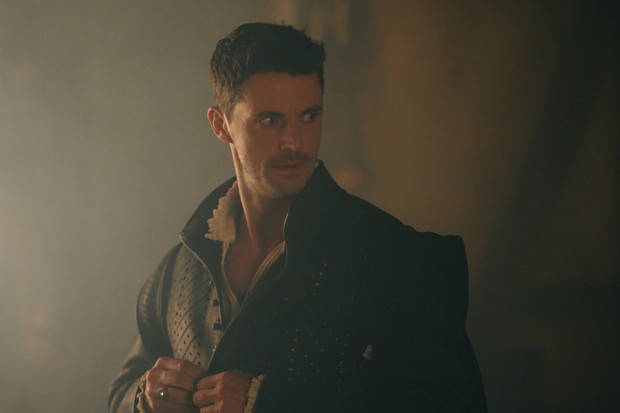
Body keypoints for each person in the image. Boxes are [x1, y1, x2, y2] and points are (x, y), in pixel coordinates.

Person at [108, 22, 487, 413]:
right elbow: (123, 387)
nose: (295, 141)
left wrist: (268, 402)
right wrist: (144, 396)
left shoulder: (393, 258)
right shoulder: (181, 266)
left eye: (309, 116)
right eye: (270, 120)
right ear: (221, 125)